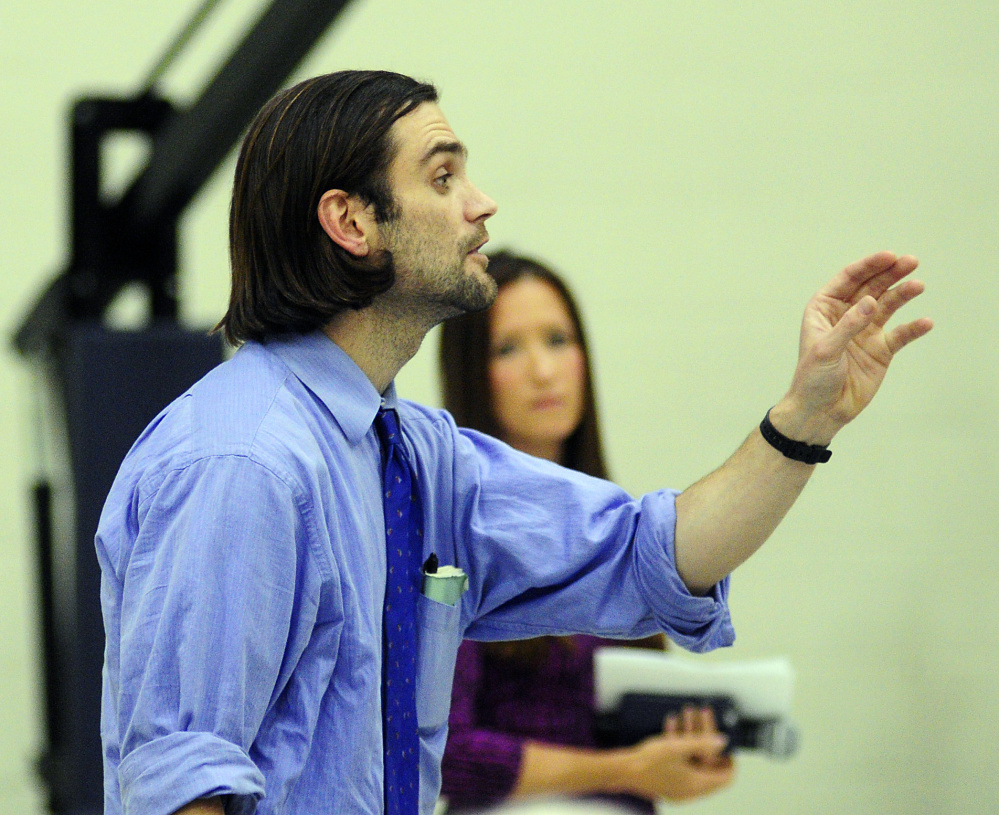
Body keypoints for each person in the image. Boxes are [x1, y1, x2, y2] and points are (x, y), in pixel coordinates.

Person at [94, 70, 932, 815]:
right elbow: (182, 782)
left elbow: (654, 552)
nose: (480, 203)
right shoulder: (241, 462)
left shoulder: (417, 459)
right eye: (443, 175)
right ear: (351, 222)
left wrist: (806, 417)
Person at [438, 251, 735, 812]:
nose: (543, 371)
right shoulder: (454, 541)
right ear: (471, 373)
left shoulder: (618, 524)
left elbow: (633, 742)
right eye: (508, 348)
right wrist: (629, 769)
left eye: (557, 340)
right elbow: (447, 753)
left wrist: (679, 752)